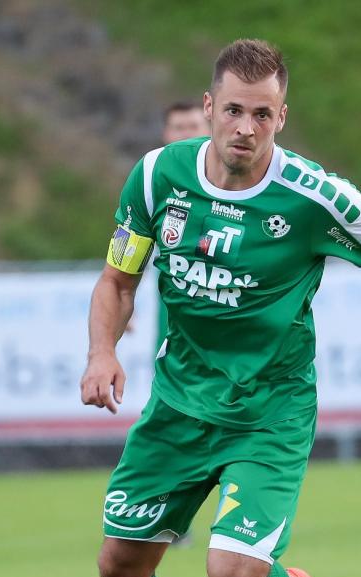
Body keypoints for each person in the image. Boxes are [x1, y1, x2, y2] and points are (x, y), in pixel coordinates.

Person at [80, 39, 361, 577]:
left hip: (269, 411)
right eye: (233, 110)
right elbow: (118, 278)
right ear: (208, 109)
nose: (246, 128)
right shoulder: (155, 177)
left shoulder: (312, 196)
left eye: (262, 113)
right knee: (120, 564)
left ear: (282, 117)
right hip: (178, 405)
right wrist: (102, 352)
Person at [156, 100, 211, 549]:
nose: (186, 133)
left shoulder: (231, 181)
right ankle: (172, 514)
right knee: (176, 409)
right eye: (178, 127)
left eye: (193, 125)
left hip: (226, 317)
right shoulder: (161, 183)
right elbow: (127, 261)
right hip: (175, 319)